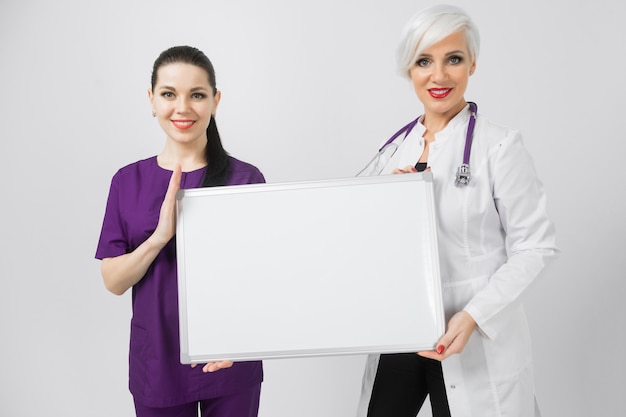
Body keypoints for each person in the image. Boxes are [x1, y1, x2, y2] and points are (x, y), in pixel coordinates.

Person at [356, 5, 558, 417]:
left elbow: (536, 247)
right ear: (408, 69)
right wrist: (387, 208)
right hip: (403, 329)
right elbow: (363, 241)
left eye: (454, 59)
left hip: (473, 333)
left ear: (473, 63)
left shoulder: (499, 146)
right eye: (424, 61)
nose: (439, 76)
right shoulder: (394, 150)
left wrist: (474, 316)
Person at [95, 45, 264, 417]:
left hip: (230, 359)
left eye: (197, 95)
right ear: (152, 100)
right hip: (157, 362)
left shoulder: (245, 179)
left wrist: (242, 336)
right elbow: (113, 281)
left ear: (215, 101)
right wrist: (159, 237)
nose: (182, 107)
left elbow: (262, 277)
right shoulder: (127, 182)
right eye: (169, 94)